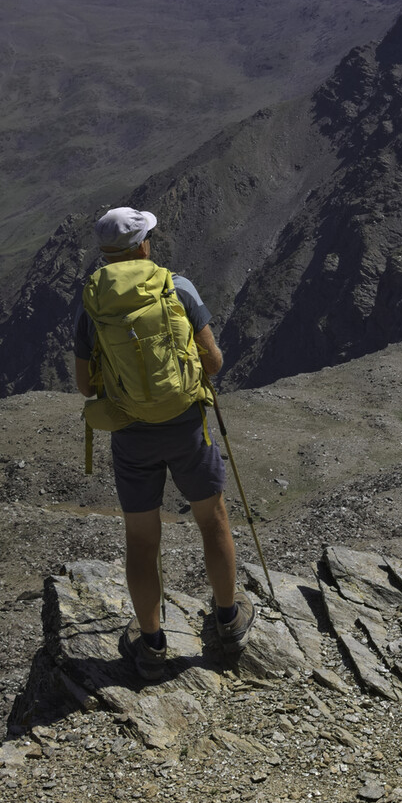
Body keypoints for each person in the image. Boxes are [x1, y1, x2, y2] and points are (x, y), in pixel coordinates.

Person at [73, 206, 254, 680]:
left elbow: (85, 386)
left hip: (130, 434)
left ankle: (151, 645)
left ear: (106, 252)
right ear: (141, 246)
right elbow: (213, 363)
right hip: (187, 425)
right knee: (212, 521)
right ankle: (229, 622)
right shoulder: (178, 287)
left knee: (141, 538)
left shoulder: (91, 303)